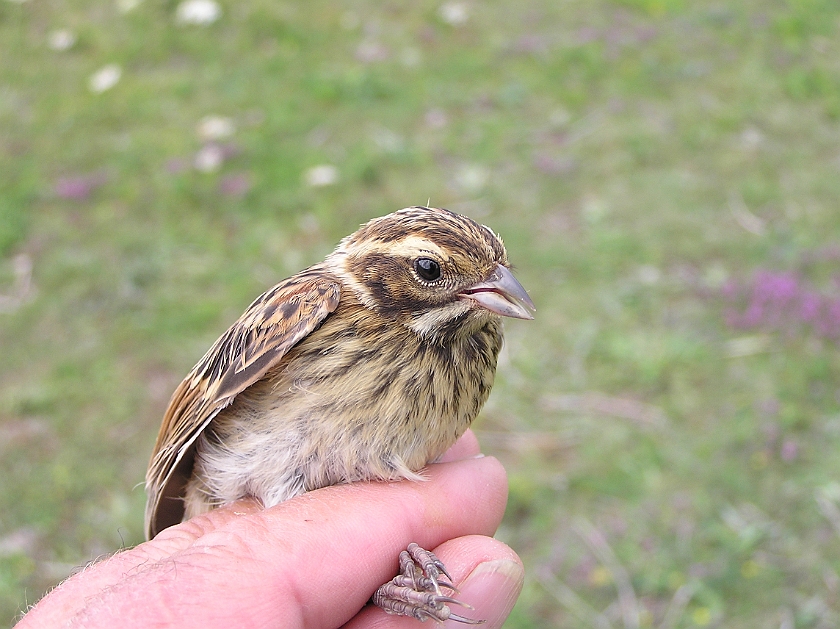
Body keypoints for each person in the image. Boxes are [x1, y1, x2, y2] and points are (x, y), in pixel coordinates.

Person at [18, 431, 523, 628]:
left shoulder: (474, 345)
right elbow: (197, 411)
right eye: (433, 274)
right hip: (246, 512)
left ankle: (385, 585)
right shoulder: (312, 308)